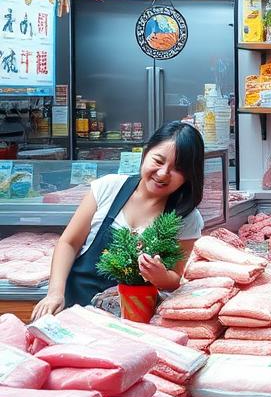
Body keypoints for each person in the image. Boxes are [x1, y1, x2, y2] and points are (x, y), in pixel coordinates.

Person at [32, 121, 205, 318]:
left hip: (133, 322)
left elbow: (175, 280)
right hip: (76, 309)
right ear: (145, 153)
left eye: (178, 169)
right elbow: (69, 243)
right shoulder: (108, 188)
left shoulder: (186, 216)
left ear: (189, 176)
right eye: (158, 160)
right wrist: (55, 293)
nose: (163, 173)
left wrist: (161, 276)